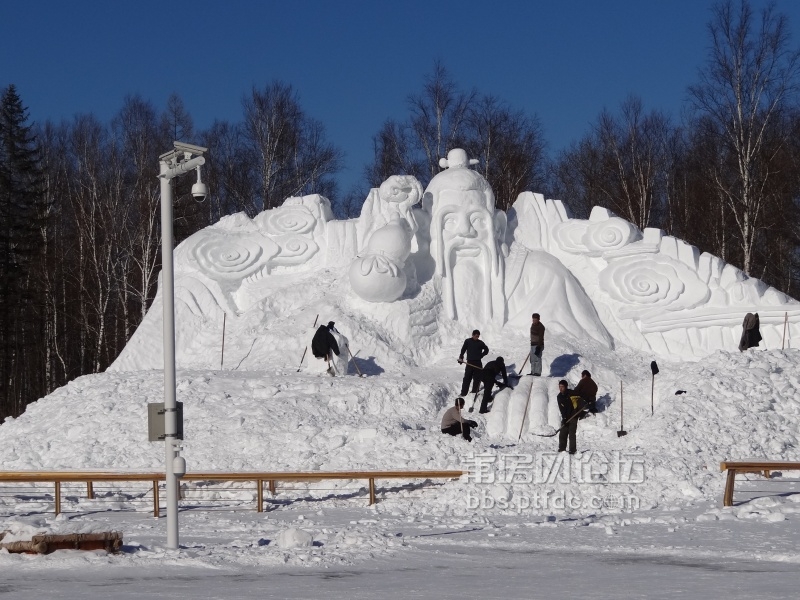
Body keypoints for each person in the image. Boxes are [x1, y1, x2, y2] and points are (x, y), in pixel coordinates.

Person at [556, 379, 587, 454]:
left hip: (574, 415)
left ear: (566, 387)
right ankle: (562, 448)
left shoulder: (572, 393)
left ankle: (572, 450)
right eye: (559, 387)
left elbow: (582, 396)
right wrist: (564, 418)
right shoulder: (559, 396)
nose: (561, 388)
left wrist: (586, 402)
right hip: (566, 417)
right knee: (563, 432)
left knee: (572, 433)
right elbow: (561, 408)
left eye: (562, 387)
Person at [458, 329, 489, 396]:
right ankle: (463, 393)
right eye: (476, 336)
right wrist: (461, 357)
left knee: (477, 379)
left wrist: (482, 355)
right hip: (470, 363)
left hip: (478, 363)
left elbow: (486, 349)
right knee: (467, 378)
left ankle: (474, 392)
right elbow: (463, 349)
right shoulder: (468, 341)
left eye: (478, 336)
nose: (477, 337)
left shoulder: (480, 343)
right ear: (472, 335)